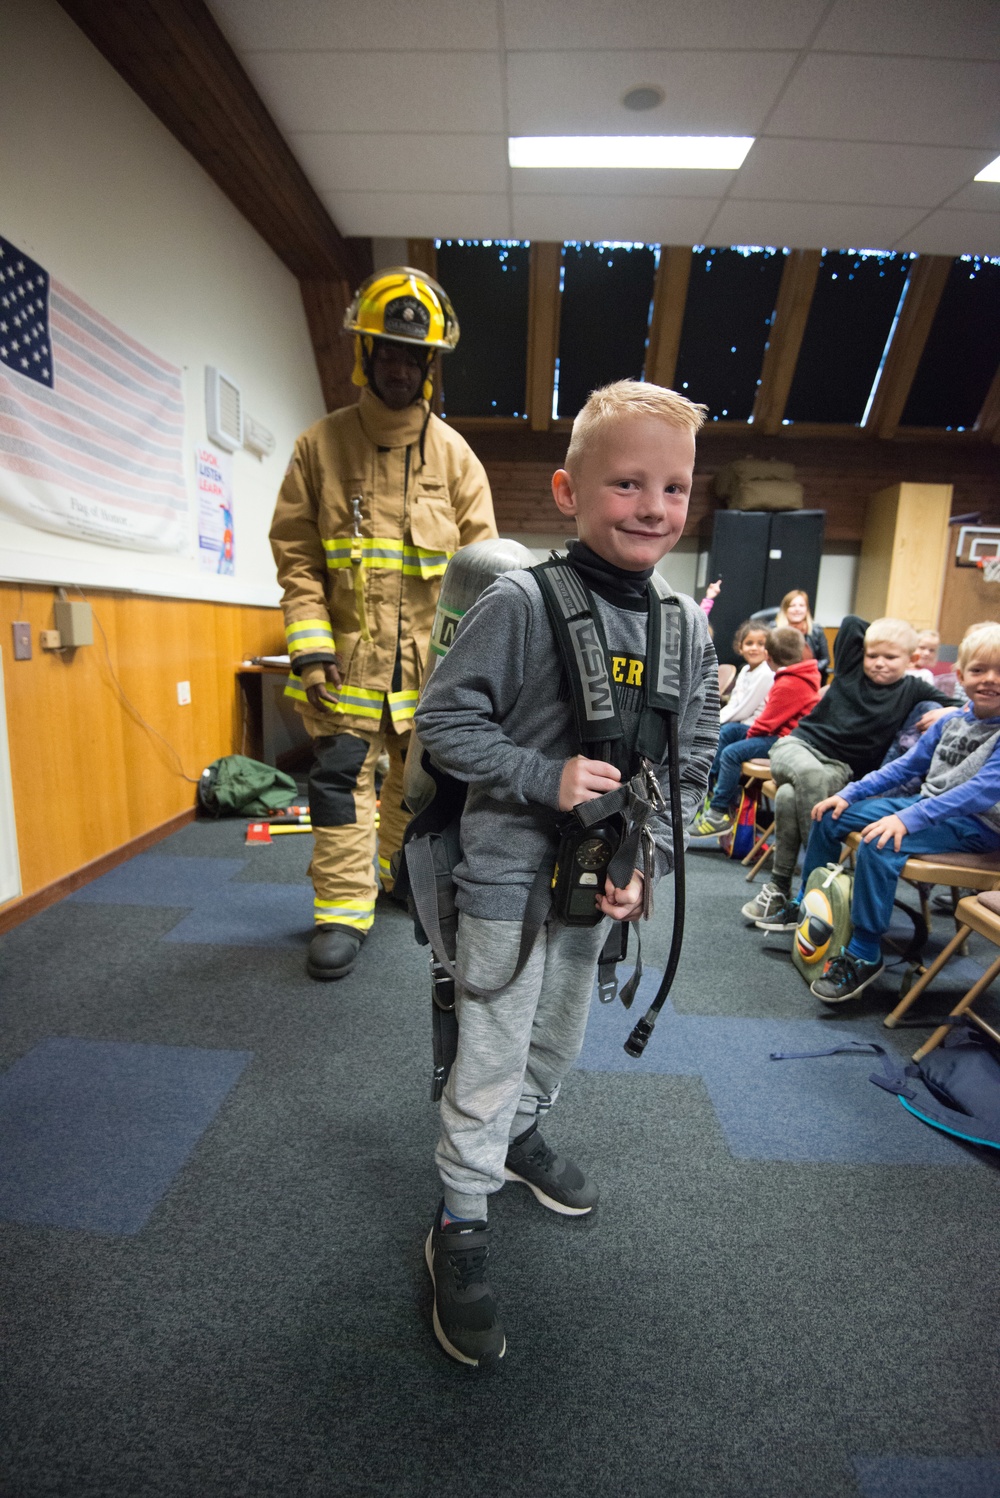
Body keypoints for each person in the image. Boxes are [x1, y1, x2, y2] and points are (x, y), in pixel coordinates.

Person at [413, 380, 718, 1366]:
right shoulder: (518, 602)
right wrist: (540, 774)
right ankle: (459, 1219)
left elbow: (692, 761)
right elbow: (444, 724)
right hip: (505, 874)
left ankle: (522, 1137)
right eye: (625, 482)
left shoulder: (687, 626)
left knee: (557, 1038)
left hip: (601, 883)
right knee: (490, 1052)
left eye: (672, 487)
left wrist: (647, 861)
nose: (651, 506)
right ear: (568, 490)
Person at [269, 267, 497, 981]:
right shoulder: (318, 448)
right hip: (346, 670)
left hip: (431, 674)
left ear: (429, 366)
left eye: (413, 356)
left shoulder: (457, 459)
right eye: (387, 352)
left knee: (417, 787)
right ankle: (341, 909)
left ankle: (397, 878)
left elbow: (488, 576)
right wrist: (308, 652)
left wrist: (478, 673)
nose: (399, 367)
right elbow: (298, 559)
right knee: (339, 784)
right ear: (365, 355)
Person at [793, 622, 1000, 1002]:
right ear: (959, 675)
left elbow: (979, 792)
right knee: (829, 813)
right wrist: (851, 793)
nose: (990, 680)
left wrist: (907, 819)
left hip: (979, 824)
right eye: (979, 670)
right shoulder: (953, 721)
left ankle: (864, 952)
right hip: (927, 807)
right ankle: (810, 905)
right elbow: (906, 766)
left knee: (880, 839)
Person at [743, 615, 958, 931]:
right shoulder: (851, 668)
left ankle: (782, 889)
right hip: (799, 748)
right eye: (873, 655)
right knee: (810, 781)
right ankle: (822, 890)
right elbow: (851, 623)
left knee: (789, 796)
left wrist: (947, 710)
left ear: (911, 659)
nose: (879, 663)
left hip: (839, 768)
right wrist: (885, 634)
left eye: (890, 657)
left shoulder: (913, 688)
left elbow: (963, 706)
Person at [690, 625, 820, 840]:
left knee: (732, 753)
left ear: (768, 656)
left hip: (785, 741)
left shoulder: (788, 683)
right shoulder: (793, 676)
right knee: (729, 732)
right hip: (776, 733)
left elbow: (767, 723)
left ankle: (719, 811)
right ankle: (710, 788)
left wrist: (749, 739)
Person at [720, 621, 773, 727]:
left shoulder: (766, 673)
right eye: (749, 643)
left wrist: (717, 722)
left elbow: (745, 709)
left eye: (761, 644)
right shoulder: (745, 670)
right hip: (737, 721)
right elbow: (734, 702)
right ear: (740, 647)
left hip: (751, 726)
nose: (754, 648)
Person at [775, 589, 830, 682]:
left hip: (809, 678)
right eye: (792, 606)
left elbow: (825, 660)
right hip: (781, 677)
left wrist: (806, 671)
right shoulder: (775, 630)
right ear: (785, 609)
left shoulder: (816, 630)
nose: (797, 609)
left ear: (806, 609)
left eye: (801, 606)